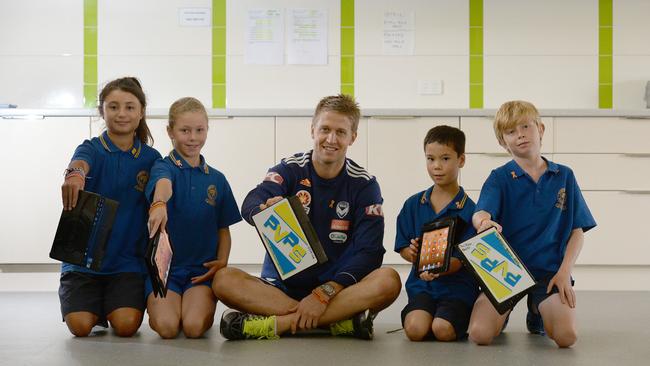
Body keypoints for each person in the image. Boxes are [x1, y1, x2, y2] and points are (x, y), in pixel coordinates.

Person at [212, 94, 401, 340]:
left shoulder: (364, 185)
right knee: (223, 280)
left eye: (341, 132)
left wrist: (325, 293)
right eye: (325, 129)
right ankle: (333, 322)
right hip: (280, 289)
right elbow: (252, 201)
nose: (331, 139)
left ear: (353, 137)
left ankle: (277, 325)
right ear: (313, 130)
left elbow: (370, 250)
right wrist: (264, 208)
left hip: (336, 290)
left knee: (389, 280)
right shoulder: (289, 169)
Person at [468, 100, 596, 348]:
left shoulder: (564, 176)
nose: (520, 135)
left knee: (567, 337)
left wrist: (564, 272)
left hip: (550, 273)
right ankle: (502, 313)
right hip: (506, 272)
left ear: (541, 129)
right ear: (502, 142)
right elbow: (481, 212)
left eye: (526, 126)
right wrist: (484, 222)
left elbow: (577, 231)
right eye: (511, 131)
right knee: (479, 334)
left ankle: (537, 310)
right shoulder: (499, 178)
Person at [59, 77, 161, 337]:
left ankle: (108, 306)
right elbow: (80, 163)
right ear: (102, 111)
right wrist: (74, 175)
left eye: (129, 107)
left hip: (126, 262)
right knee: (80, 327)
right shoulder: (91, 148)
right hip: (84, 262)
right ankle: (92, 307)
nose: (121, 114)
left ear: (141, 112)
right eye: (113, 106)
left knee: (126, 325)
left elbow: (164, 184)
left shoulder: (151, 158)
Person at [145, 97, 242, 338]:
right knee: (167, 328)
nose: (193, 138)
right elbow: (163, 185)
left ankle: (193, 304)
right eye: (184, 130)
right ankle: (168, 305)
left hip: (200, 272)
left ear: (207, 130)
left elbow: (223, 228)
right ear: (170, 132)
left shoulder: (217, 179)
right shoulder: (163, 166)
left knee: (193, 327)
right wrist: (159, 204)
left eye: (199, 130)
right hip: (165, 271)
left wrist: (222, 262)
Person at [396, 125, 479, 342]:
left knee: (442, 330)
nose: (437, 167)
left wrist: (436, 268)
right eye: (430, 159)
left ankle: (459, 316)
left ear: (461, 160)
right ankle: (431, 315)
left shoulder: (472, 212)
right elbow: (403, 247)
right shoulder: (413, 204)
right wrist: (412, 254)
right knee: (415, 330)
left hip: (457, 290)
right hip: (422, 287)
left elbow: (461, 261)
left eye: (445, 159)